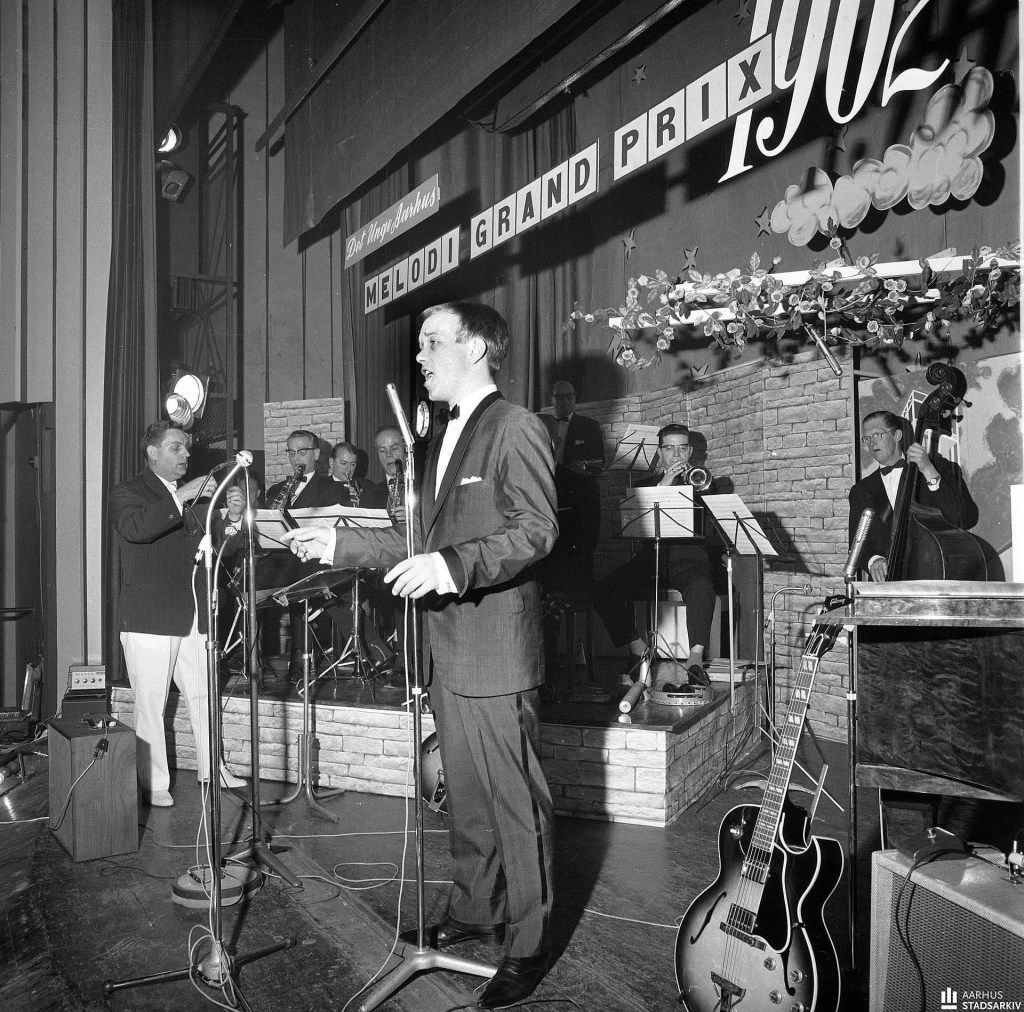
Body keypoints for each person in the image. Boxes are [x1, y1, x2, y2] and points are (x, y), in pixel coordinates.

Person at [283, 301, 558, 1008]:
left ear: (477, 347)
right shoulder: (438, 441)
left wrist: (451, 566)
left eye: (434, 342)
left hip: (495, 651)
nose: (420, 356)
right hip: (447, 651)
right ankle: (476, 909)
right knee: (465, 796)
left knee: (516, 804)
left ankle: (528, 943)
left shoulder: (515, 427)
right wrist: (339, 543)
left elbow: (536, 531)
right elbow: (417, 541)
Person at [109, 421, 247, 808]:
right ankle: (154, 783)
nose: (186, 454)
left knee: (204, 697)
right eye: (176, 447)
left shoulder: (198, 497)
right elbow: (136, 529)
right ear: (152, 452)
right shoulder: (128, 492)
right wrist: (181, 495)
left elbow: (219, 549)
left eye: (186, 447)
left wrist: (233, 519)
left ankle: (212, 767)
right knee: (151, 704)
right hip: (149, 619)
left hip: (194, 615)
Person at [593, 423, 717, 689]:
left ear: (690, 451)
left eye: (682, 448)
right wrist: (664, 487)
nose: (676, 455)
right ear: (659, 452)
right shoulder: (645, 486)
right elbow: (641, 530)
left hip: (689, 556)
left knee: (701, 586)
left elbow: (710, 528)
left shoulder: (703, 482)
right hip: (652, 555)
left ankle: (695, 661)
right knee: (604, 590)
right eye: (669, 448)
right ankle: (639, 650)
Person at [849, 410, 979, 581]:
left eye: (877, 435)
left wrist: (928, 470)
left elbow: (959, 517)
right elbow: (857, 544)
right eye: (867, 438)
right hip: (887, 585)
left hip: (934, 577)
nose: (872, 442)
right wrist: (874, 560)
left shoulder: (938, 467)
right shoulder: (860, 491)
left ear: (897, 435)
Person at [264, 430, 347, 676]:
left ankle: (302, 657)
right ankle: (251, 656)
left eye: (302, 452)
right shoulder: (276, 490)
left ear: (317, 454)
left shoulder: (333, 489)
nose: (295, 458)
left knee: (300, 578)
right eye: (291, 452)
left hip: (311, 559)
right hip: (280, 559)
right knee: (248, 579)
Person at [328, 440, 377, 507]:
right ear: (331, 462)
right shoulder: (321, 488)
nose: (349, 469)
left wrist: (362, 502)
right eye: (343, 463)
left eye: (353, 464)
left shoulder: (368, 486)